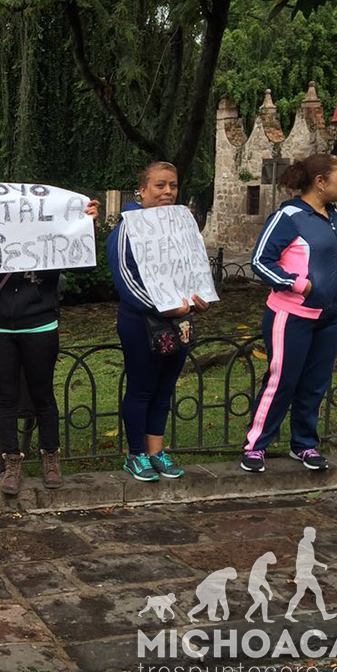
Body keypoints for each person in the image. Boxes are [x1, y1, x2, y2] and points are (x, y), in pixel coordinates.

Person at [0, 199, 99, 492]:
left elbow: (83, 267)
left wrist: (86, 226)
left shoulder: (52, 230)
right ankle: (11, 462)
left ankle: (51, 457)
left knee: (42, 393)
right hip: (0, 327)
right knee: (5, 396)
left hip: (40, 324)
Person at [242, 154, 337, 473]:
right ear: (320, 182)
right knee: (282, 381)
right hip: (291, 316)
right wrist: (297, 284)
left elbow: (334, 259)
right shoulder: (289, 216)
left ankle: (304, 444)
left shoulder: (333, 216)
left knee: (315, 384)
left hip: (329, 316)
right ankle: (256, 446)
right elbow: (261, 261)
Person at [107, 162, 211, 483]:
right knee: (142, 388)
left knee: (164, 389)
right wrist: (164, 307)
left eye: (173, 186)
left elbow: (193, 266)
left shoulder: (181, 225)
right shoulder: (127, 228)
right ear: (142, 190)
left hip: (179, 321)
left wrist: (200, 296)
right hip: (141, 322)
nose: (168, 192)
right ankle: (136, 454)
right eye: (160, 185)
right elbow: (126, 280)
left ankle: (156, 452)